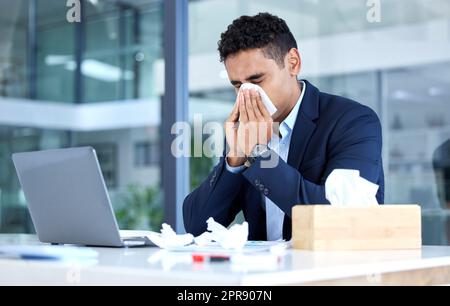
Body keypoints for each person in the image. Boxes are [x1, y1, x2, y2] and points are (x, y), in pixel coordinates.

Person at [183, 13, 384, 241]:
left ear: (293, 63)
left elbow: (339, 219)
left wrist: (259, 154)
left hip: (329, 270)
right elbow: (196, 226)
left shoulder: (353, 121)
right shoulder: (247, 132)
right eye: (238, 85)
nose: (247, 95)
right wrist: (236, 156)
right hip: (266, 274)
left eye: (257, 81)